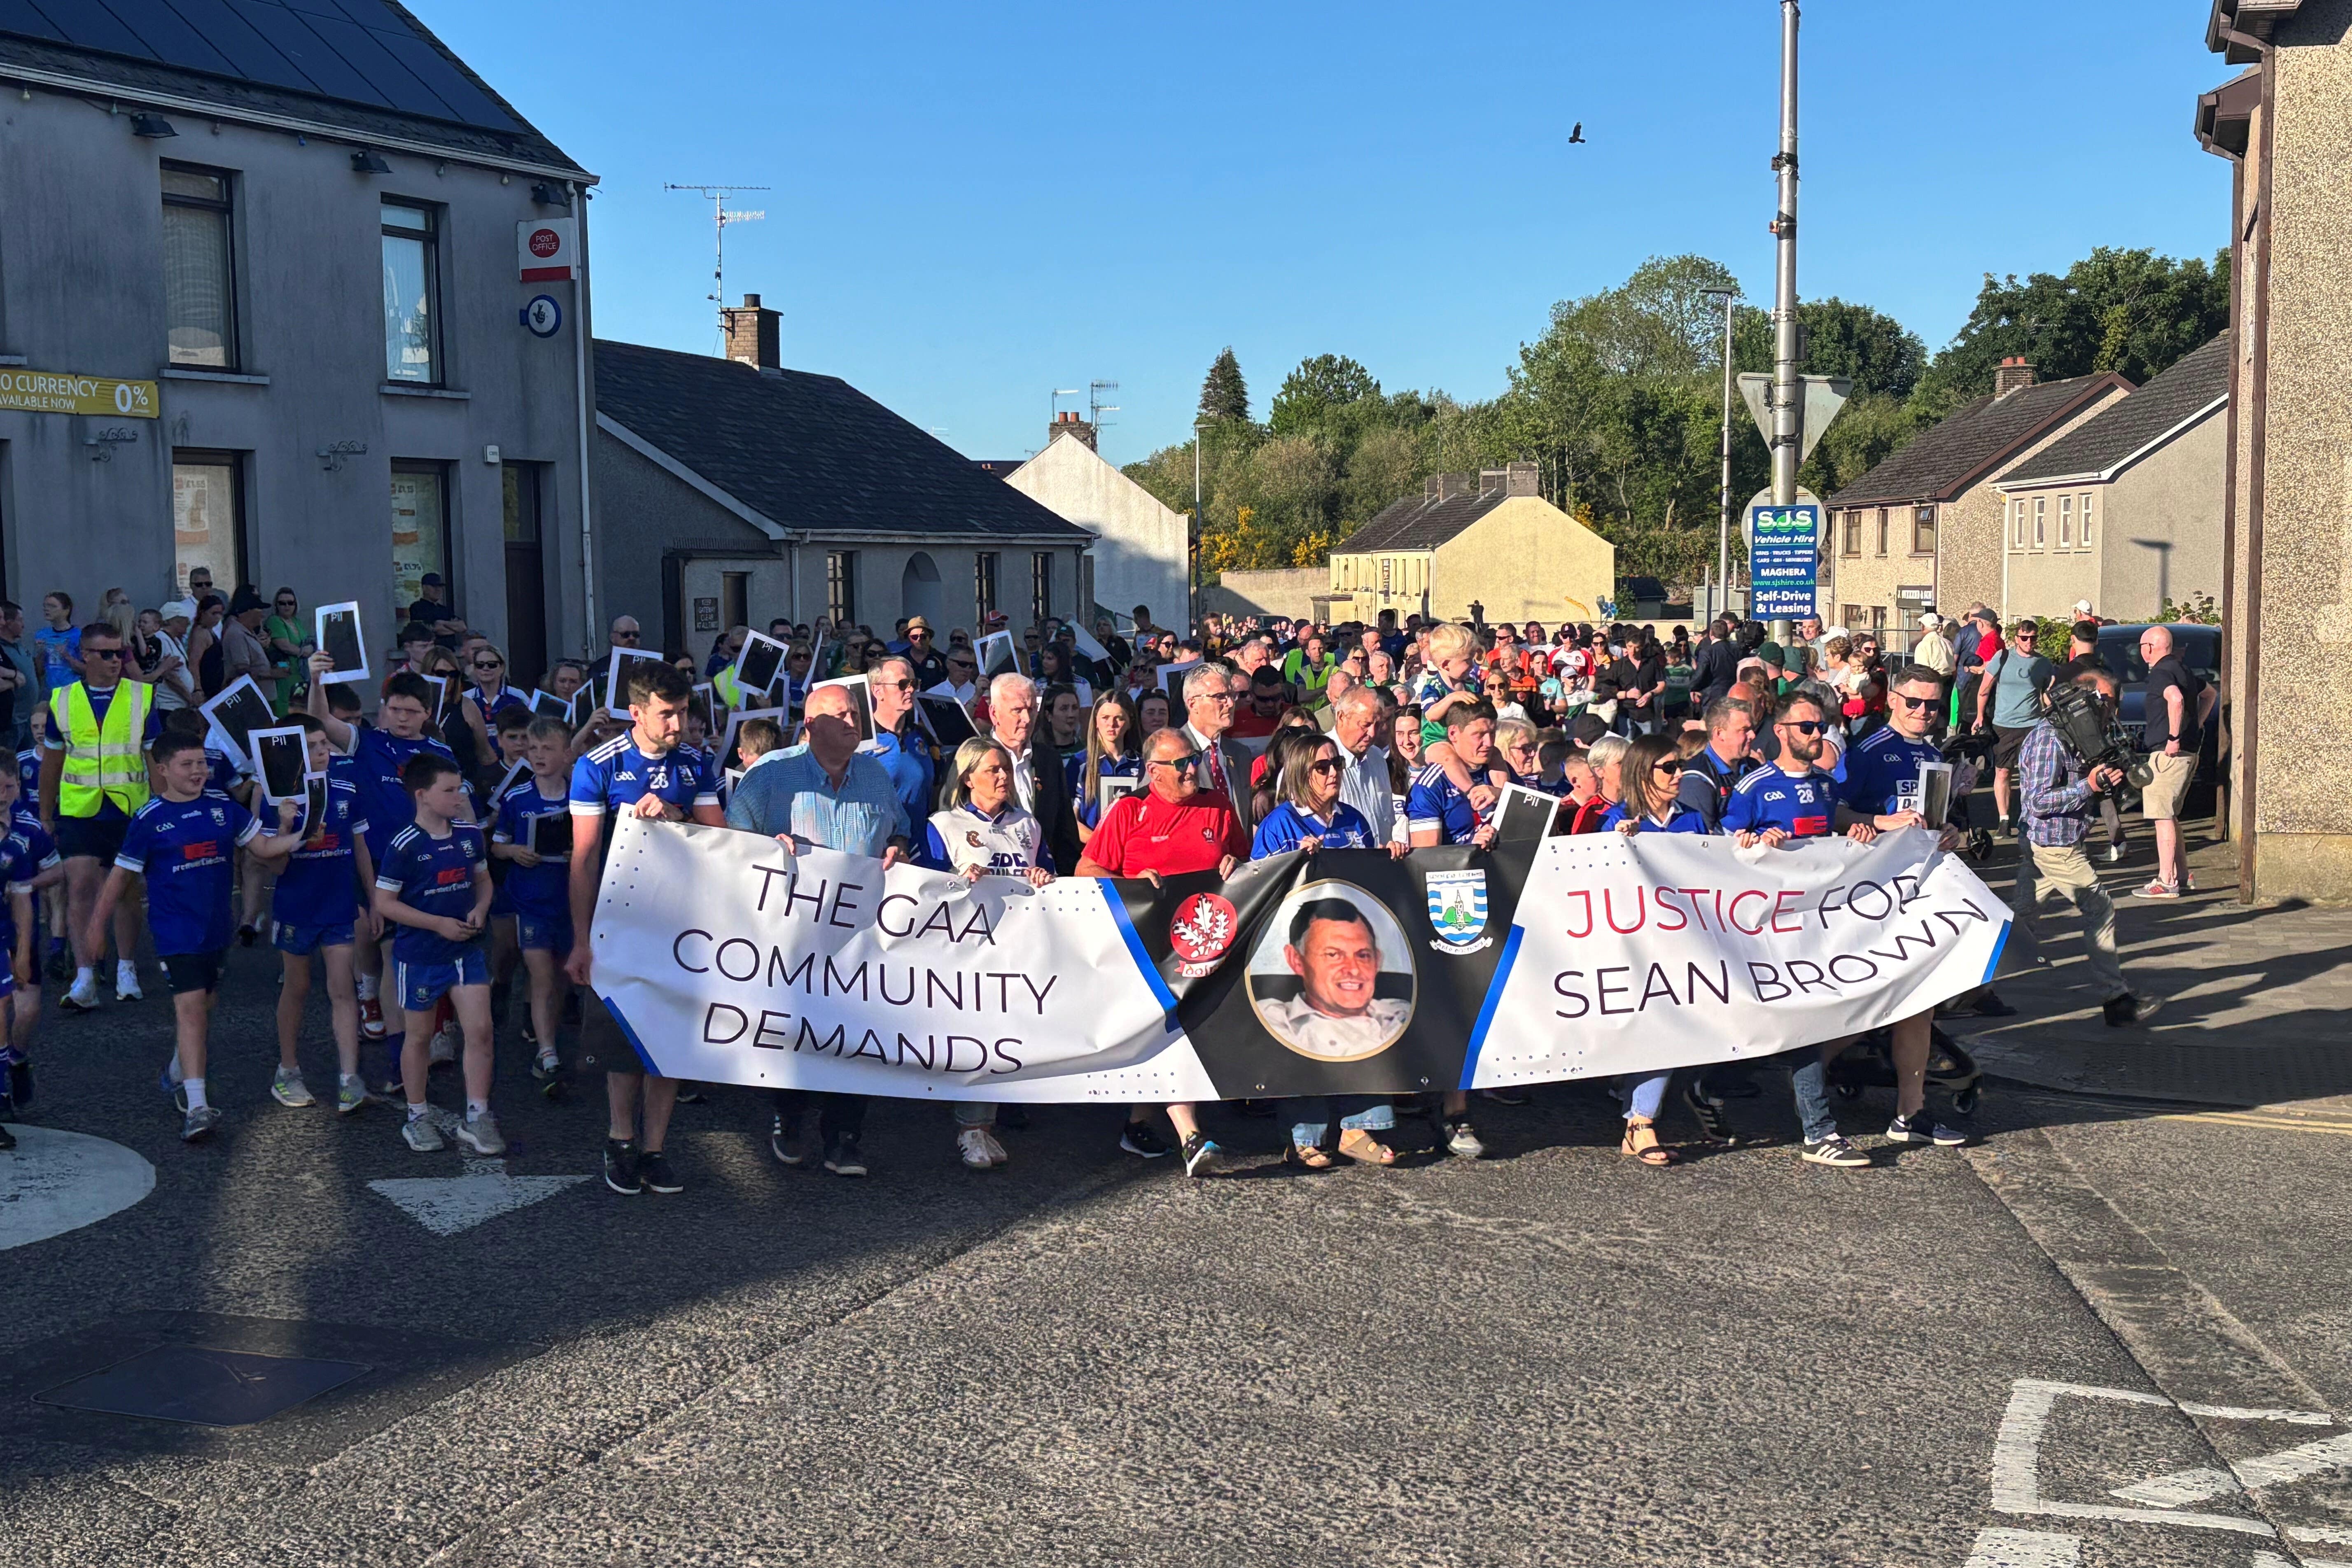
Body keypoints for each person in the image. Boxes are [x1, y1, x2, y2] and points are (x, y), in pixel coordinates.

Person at [725, 679, 907, 1181]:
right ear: (811, 725)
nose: (854, 723)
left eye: (856, 714)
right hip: (793, 931)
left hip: (861, 931)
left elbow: (900, 828)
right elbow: (731, 845)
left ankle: (845, 1135)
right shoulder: (768, 776)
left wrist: (897, 846)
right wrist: (766, 849)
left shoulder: (874, 776)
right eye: (843, 715)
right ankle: (790, 1114)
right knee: (797, 1027)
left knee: (860, 1030)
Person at [85, 730, 301, 1139]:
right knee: (190, 1009)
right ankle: (197, 1106)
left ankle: (176, 1069)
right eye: (187, 764)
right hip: (175, 930)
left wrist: (296, 832)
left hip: (216, 929)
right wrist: (96, 929)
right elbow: (118, 878)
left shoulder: (223, 810)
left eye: (202, 763)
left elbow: (265, 848)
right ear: (163, 770)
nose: (198, 771)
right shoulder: (149, 820)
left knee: (206, 1004)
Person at [568, 663, 726, 1195]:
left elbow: (720, 838)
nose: (679, 723)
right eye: (667, 713)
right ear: (636, 712)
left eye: (683, 711)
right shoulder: (598, 766)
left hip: (681, 918)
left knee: (671, 1034)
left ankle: (656, 1146)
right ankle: (620, 1137)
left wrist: (676, 811)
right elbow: (584, 857)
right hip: (623, 918)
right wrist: (581, 938)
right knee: (624, 1033)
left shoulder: (698, 761)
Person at [1075, 726, 1244, 1174]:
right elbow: (1086, 867)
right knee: (1169, 1028)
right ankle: (1191, 1135)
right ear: (1154, 772)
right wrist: (1130, 883)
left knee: (1182, 1032)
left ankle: (1139, 1121)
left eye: (1194, 760)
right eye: (1182, 764)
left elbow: (1249, 863)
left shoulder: (1218, 807)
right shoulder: (1130, 812)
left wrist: (1236, 864)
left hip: (1207, 944)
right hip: (1145, 949)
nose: (1193, 769)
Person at [919, 737, 1053, 1171]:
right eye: (992, 770)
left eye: (1005, 769)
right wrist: (958, 876)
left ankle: (985, 1125)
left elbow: (1050, 872)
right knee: (978, 1032)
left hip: (1015, 943)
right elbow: (926, 881)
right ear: (968, 777)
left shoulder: (1027, 825)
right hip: (966, 947)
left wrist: (1041, 874)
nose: (1002, 777)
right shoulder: (944, 824)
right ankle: (969, 1129)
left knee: (1007, 1033)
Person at [2015, 669, 2161, 1025]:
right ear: (2086, 699)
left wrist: (2101, 781)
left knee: (2019, 922)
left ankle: (1965, 994)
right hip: (2054, 846)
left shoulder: (2074, 735)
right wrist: (2088, 788)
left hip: (2051, 843)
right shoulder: (2050, 739)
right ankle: (2117, 1000)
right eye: (2108, 701)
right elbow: (2037, 802)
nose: (2113, 710)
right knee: (2101, 909)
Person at [372, 754, 499, 1153]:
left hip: (466, 952)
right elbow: (385, 903)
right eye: (450, 790)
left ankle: (478, 1115)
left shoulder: (469, 835)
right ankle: (417, 1115)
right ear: (423, 796)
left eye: (460, 787)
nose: (459, 796)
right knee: (421, 1037)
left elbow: (485, 881)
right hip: (421, 955)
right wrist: (437, 923)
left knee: (480, 1030)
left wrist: (481, 908)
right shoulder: (404, 844)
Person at [42, 620, 163, 1012]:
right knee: (80, 888)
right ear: (86, 657)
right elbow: (53, 763)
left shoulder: (142, 696)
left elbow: (154, 758)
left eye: (122, 653)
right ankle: (85, 976)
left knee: (128, 890)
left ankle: (126, 967)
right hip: (80, 809)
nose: (117, 661)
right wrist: (46, 814)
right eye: (107, 654)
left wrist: (165, 810)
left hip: (130, 807)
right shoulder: (61, 700)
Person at [269, 716, 375, 1116]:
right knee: (296, 988)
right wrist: (284, 827)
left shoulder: (348, 788)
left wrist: (374, 898)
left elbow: (361, 848)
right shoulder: (277, 798)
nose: (323, 752)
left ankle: (350, 1077)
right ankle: (288, 1069)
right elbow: (275, 869)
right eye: (313, 746)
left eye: (324, 744)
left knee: (343, 988)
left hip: (338, 905)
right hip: (296, 908)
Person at [490, 716, 576, 1089]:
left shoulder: (583, 796)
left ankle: (551, 1037)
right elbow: (496, 844)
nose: (539, 755)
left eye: (548, 749)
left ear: (567, 754)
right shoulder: (516, 797)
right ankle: (547, 1052)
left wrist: (581, 853)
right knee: (541, 975)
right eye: (534, 748)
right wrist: (513, 852)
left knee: (560, 976)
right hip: (531, 899)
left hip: (571, 900)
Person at [2135, 625, 2214, 900]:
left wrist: (2174, 737)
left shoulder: (2160, 673)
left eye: (2142, 646)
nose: (2140, 651)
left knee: (2162, 816)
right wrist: (2198, 725)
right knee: (2171, 815)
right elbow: (2210, 694)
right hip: (2188, 752)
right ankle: (2181, 875)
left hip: (2169, 754)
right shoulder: (2184, 671)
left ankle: (2167, 881)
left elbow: (2176, 699)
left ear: (2150, 648)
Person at [985, 673, 1082, 876]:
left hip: (1045, 884)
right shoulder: (974, 760)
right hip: (992, 883)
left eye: (1031, 710)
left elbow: (1065, 830)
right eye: (1017, 711)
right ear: (994, 714)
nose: (1027, 719)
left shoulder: (1049, 760)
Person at [1972, 618, 2054, 833]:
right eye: (2024, 638)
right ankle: (2004, 820)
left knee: (2032, 774)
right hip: (2004, 725)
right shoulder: (2003, 657)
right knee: (2003, 772)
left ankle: (2029, 817)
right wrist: (1980, 716)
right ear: (2016, 638)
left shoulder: (2044, 664)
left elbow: (2047, 695)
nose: (2029, 642)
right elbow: (1984, 689)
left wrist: (2052, 711)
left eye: (2033, 638)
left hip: (2032, 725)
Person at [867, 657, 936, 832]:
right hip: (878, 845)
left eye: (914, 683)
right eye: (903, 684)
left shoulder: (922, 735)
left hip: (918, 841)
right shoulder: (861, 739)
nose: (911, 689)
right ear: (878, 691)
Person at [1674, 696, 1758, 832]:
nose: (1753, 735)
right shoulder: (1697, 778)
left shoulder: (1753, 768)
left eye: (1752, 729)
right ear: (1720, 734)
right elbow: (1704, 839)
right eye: (1745, 730)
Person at [1070, 691, 1141, 845]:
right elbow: (1070, 819)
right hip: (1090, 854)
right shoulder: (1079, 763)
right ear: (1096, 721)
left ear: (1130, 722)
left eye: (1119, 718)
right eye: (1105, 718)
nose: (1111, 724)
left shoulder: (1142, 764)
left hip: (1132, 852)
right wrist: (1100, 845)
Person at [1329, 687, 1395, 845]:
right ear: (1341, 717)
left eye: (1378, 724)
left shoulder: (1377, 758)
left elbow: (1387, 819)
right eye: (1365, 725)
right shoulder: (1316, 761)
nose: (1373, 733)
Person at [262, 588, 307, 710]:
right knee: (285, 711)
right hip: (284, 674)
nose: (287, 606)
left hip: (301, 674)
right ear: (276, 605)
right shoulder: (274, 621)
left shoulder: (296, 621)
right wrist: (303, 652)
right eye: (282, 603)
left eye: (290, 603)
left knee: (299, 712)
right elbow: (284, 646)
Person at [404, 573, 467, 647]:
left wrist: (442, 623)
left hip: (450, 652)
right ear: (424, 588)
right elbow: (437, 630)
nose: (438, 590)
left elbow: (462, 627)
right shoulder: (418, 608)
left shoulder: (444, 609)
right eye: (434, 586)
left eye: (440, 586)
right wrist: (453, 629)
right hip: (432, 652)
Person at [1913, 614, 1956, 680]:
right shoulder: (1947, 643)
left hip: (1933, 680)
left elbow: (1921, 671)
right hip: (1949, 681)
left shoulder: (1923, 645)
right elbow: (1953, 667)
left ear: (1923, 627)